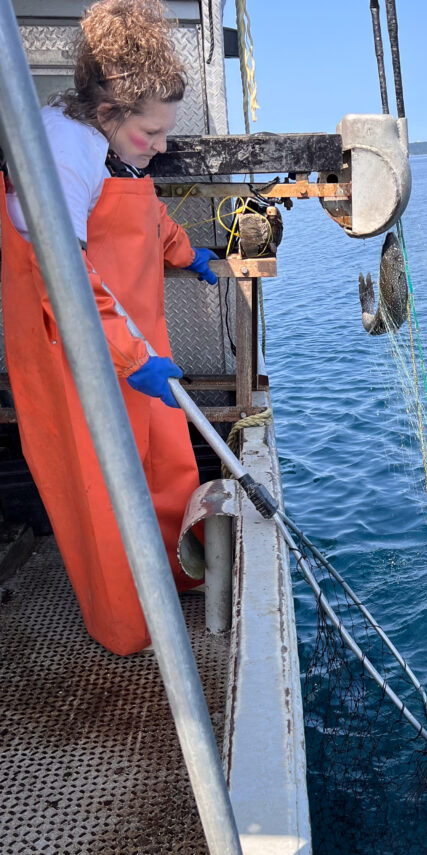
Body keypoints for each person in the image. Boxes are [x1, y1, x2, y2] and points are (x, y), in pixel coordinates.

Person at [0, 0, 217, 656]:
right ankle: (129, 623)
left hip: (137, 351)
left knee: (163, 460)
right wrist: (131, 355)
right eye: (149, 134)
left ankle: (180, 578)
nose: (158, 147)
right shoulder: (60, 151)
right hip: (79, 357)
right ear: (106, 113)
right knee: (105, 484)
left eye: (164, 134)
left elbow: (138, 212)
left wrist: (188, 253)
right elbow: (62, 278)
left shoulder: (116, 146)